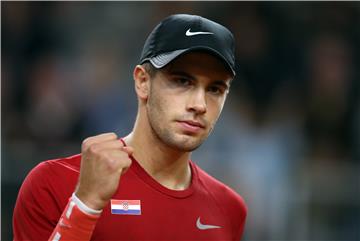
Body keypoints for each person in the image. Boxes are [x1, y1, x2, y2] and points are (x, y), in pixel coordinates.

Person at [13, 14, 247, 241]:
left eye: (215, 89)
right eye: (182, 81)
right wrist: (85, 205)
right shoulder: (54, 183)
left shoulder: (229, 209)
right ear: (142, 82)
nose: (199, 105)